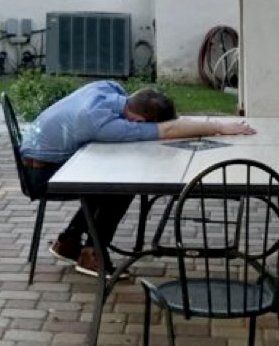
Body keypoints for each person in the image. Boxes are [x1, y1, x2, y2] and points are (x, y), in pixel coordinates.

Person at [20, 80, 256, 277]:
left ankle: (69, 242)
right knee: (119, 186)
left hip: (48, 161)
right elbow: (168, 131)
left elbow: (166, 125)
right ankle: (92, 254)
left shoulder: (107, 89)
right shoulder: (98, 123)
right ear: (140, 121)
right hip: (42, 177)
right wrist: (219, 127)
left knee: (110, 175)